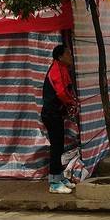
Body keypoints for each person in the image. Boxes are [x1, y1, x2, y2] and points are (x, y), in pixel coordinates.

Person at [41, 44, 77, 194]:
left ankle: (59, 177)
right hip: (51, 114)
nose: (71, 56)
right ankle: (54, 183)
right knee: (56, 148)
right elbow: (61, 93)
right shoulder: (56, 70)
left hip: (56, 114)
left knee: (59, 147)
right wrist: (71, 103)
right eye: (68, 54)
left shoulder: (63, 68)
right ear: (60, 57)